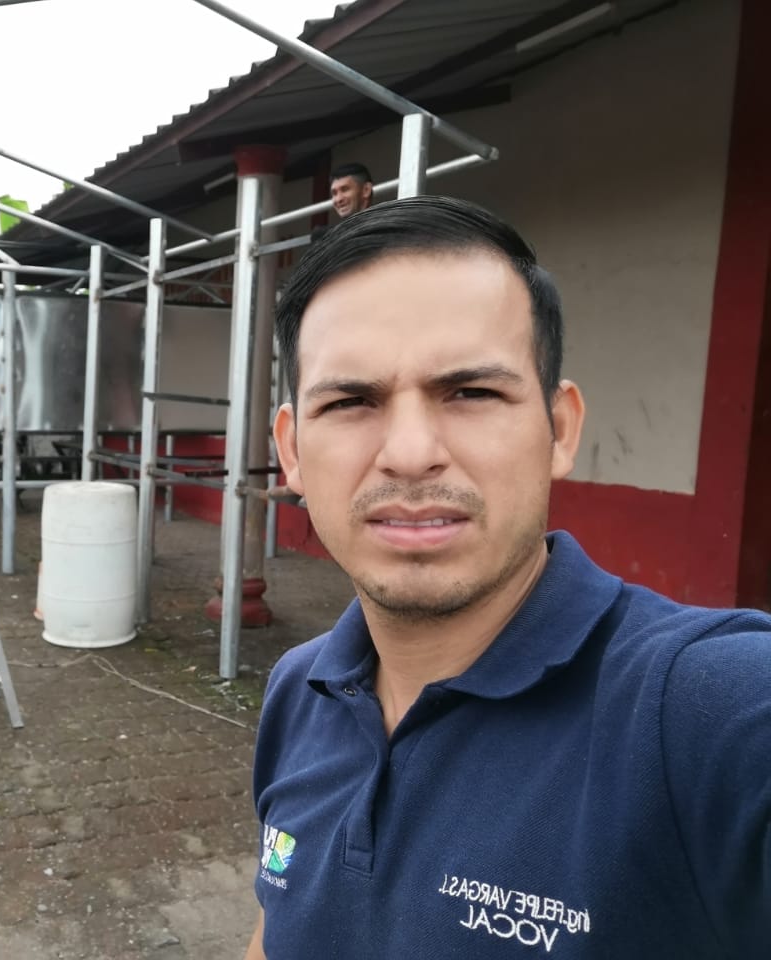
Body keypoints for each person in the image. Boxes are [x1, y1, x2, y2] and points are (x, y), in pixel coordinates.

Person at [247, 196, 770, 959]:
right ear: (292, 450)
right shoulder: (299, 691)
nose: (411, 453)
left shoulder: (703, 709)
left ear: (560, 429)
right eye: (352, 401)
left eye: (471, 393)